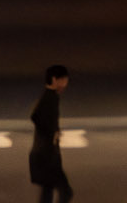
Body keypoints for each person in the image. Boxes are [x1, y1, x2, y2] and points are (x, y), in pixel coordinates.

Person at [29, 63, 75, 203]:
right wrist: (52, 133)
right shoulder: (50, 98)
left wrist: (54, 131)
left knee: (47, 191)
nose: (66, 84)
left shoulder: (51, 96)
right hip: (46, 154)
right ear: (55, 80)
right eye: (64, 80)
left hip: (44, 153)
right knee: (65, 191)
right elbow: (35, 116)